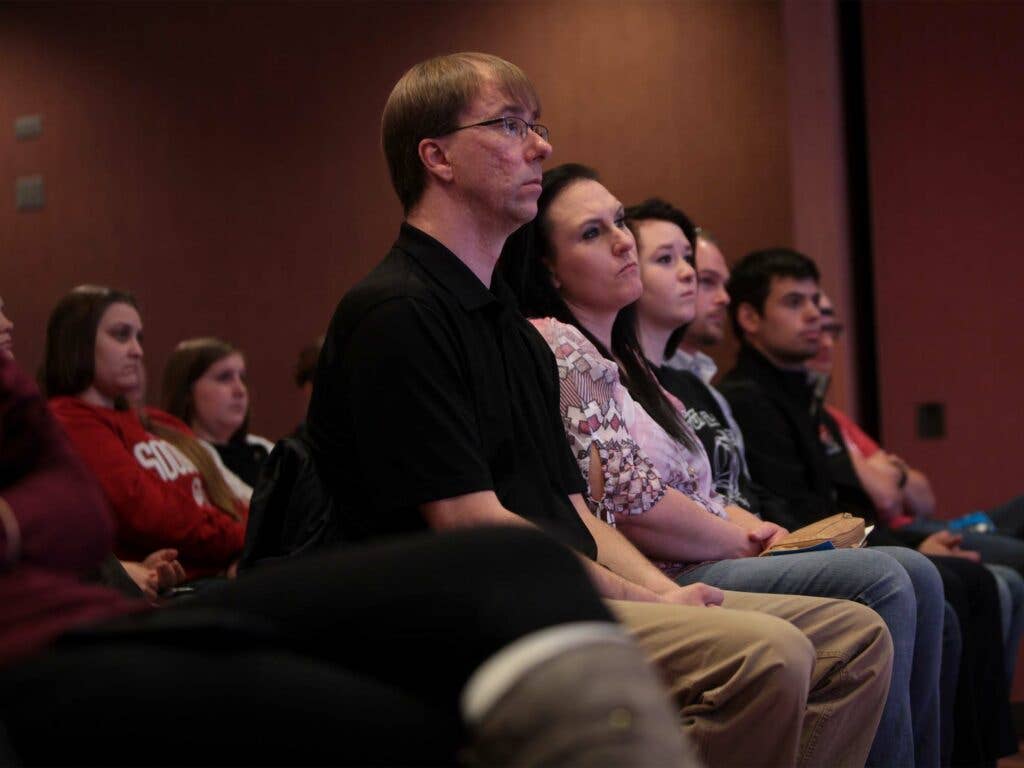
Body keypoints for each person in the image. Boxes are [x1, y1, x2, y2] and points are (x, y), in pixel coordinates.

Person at [308, 52, 893, 766]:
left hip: (539, 587)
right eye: (510, 125)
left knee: (855, 640)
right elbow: (471, 527)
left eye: (537, 125)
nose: (541, 146)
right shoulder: (398, 312)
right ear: (437, 157)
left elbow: (570, 509)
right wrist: (642, 597)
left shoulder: (509, 331)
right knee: (768, 656)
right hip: (457, 609)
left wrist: (658, 594)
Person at [0, 352, 694, 767]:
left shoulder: (177, 437)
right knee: (418, 727)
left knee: (519, 564)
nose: (536, 145)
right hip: (32, 655)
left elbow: (76, 512)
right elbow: (145, 515)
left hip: (103, 612)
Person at [499, 166, 932, 768]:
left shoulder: (631, 366)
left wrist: (754, 530)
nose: (624, 240)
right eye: (593, 233)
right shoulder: (559, 346)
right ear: (548, 268)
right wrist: (748, 541)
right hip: (662, 570)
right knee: (887, 579)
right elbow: (629, 504)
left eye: (620, 222)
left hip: (696, 552)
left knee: (909, 575)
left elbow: (701, 488)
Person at [717, 248, 1018, 766]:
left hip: (837, 528)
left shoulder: (806, 401)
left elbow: (896, 493)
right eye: (795, 302)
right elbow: (807, 507)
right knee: (941, 579)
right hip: (774, 541)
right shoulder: (747, 397)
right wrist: (908, 532)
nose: (816, 316)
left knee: (981, 579)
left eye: (817, 301)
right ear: (748, 318)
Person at [812, 293, 1024, 685]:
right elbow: (886, 496)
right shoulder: (816, 421)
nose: (823, 338)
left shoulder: (836, 418)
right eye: (814, 323)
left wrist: (891, 473)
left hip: (926, 522)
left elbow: (922, 495)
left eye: (830, 327)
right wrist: (891, 474)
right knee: (1015, 559)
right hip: (905, 532)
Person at [43, 286, 247, 581]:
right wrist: (249, 539)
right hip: (182, 588)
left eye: (139, 337)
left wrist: (253, 540)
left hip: (226, 562)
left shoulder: (156, 420)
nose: (137, 351)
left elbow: (224, 493)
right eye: (121, 335)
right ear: (80, 342)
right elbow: (153, 516)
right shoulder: (71, 420)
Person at [161, 337, 274, 499]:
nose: (240, 390)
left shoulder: (265, 449)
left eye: (242, 378)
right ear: (187, 392)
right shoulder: (178, 460)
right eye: (224, 378)